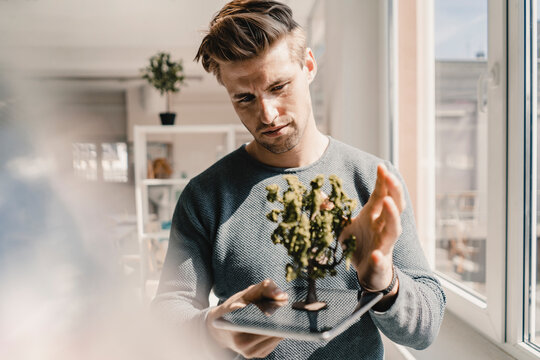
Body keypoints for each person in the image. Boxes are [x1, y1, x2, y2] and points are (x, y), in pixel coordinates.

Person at [152, 1, 446, 359]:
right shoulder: (205, 197)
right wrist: (213, 328)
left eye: (279, 86)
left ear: (308, 65)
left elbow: (425, 328)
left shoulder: (371, 181)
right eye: (244, 98)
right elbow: (168, 312)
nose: (267, 113)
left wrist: (384, 281)